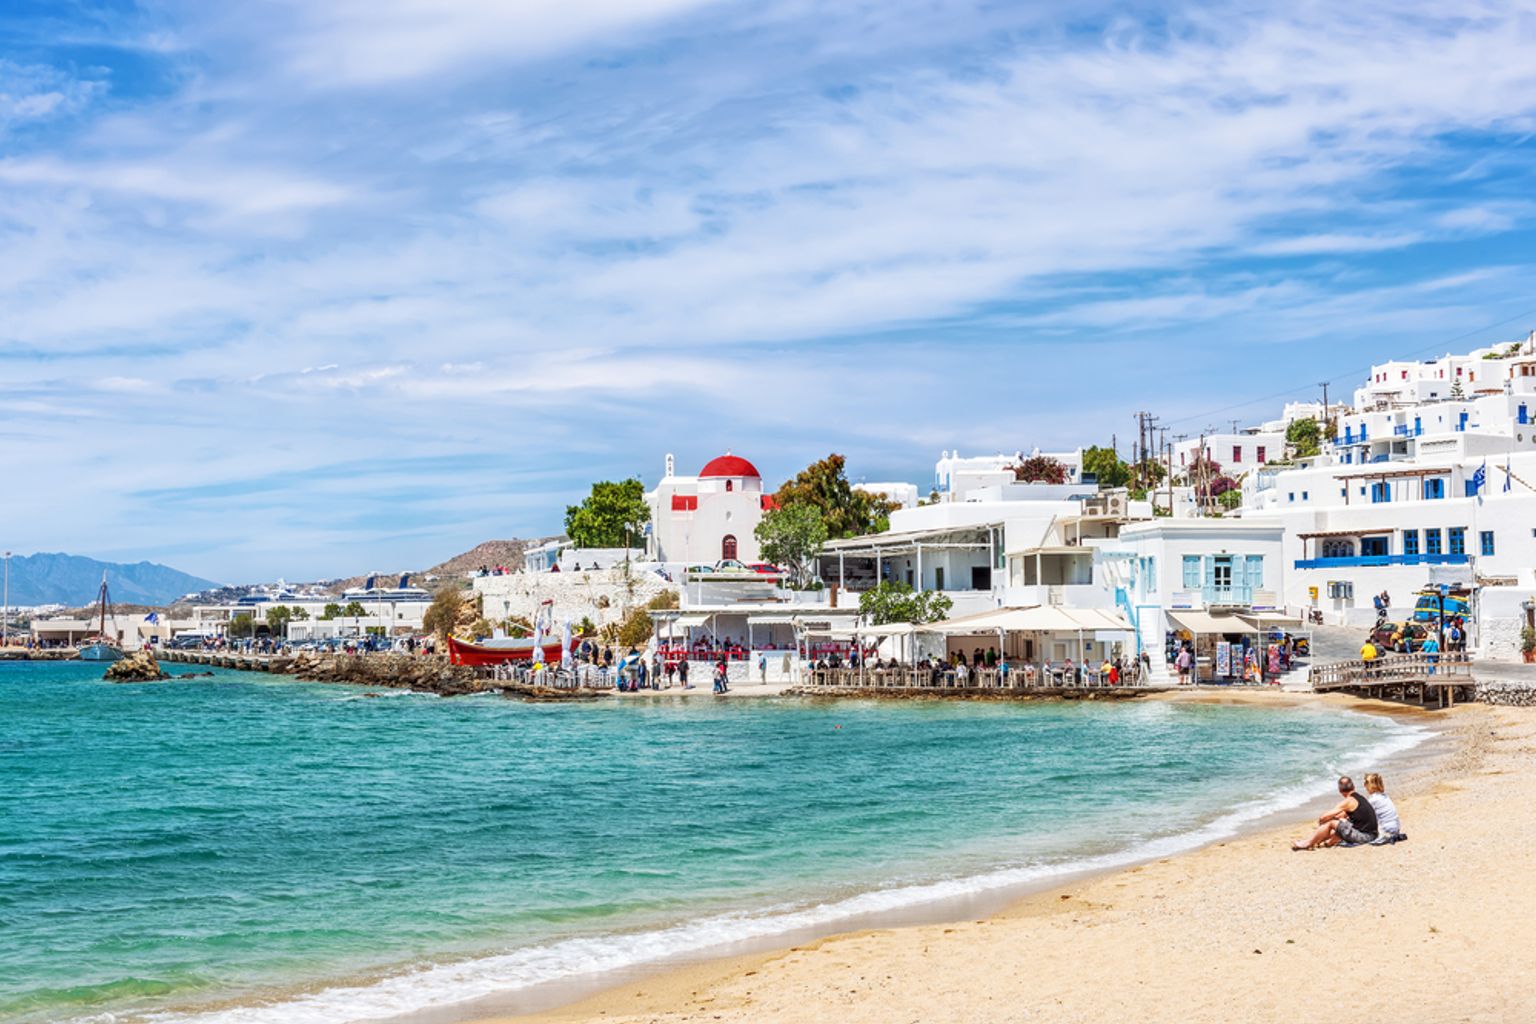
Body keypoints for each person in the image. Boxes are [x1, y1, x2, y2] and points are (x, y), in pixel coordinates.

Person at [1292, 775, 1378, 850]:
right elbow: (1342, 816)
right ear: (1353, 787)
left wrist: (1323, 822)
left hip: (1365, 837)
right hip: (1372, 834)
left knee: (1331, 823)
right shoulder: (1359, 798)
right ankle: (1316, 841)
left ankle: (1307, 843)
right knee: (1339, 824)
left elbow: (1323, 817)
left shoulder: (1349, 801)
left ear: (1340, 790)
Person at [1363, 772, 1404, 842]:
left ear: (1371, 786)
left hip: (1386, 830)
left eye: (1366, 783)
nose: (1364, 786)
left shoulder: (1373, 799)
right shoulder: (1384, 796)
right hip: (1396, 828)